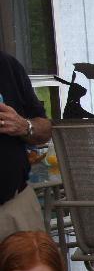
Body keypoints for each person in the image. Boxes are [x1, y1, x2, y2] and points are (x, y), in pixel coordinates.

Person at [0, 51, 53, 242]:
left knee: (35, 261)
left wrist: (25, 126)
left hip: (14, 209)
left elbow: (45, 129)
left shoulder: (7, 66)